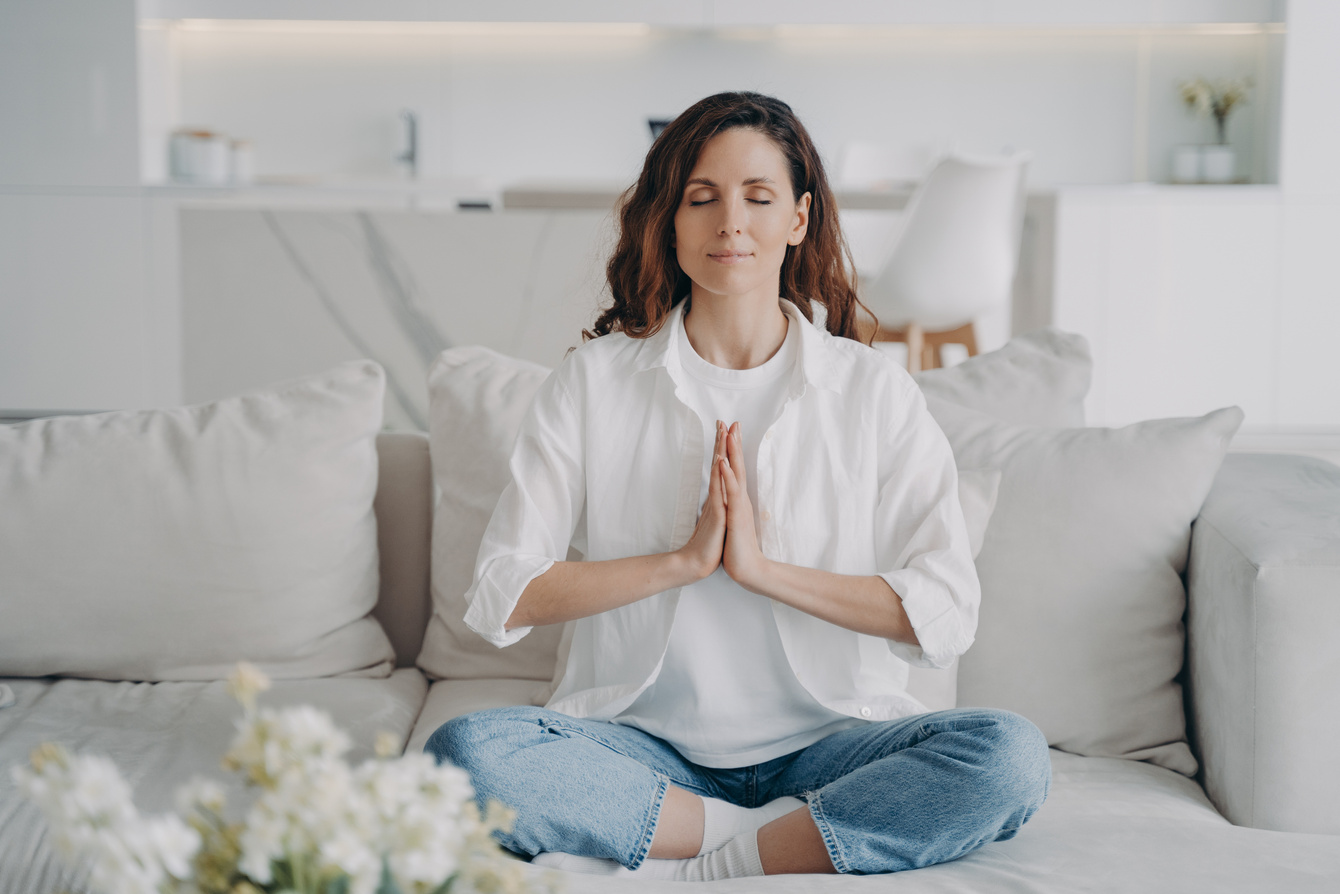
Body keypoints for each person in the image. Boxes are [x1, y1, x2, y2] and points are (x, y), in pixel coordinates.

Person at [426, 91, 1050, 881]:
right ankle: (765, 835)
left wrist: (764, 573)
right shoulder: (592, 384)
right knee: (465, 755)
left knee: (1009, 758)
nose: (730, 223)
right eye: (702, 198)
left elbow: (947, 613)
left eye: (758, 197)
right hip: (641, 748)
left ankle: (721, 852)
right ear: (669, 220)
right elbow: (502, 594)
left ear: (798, 218)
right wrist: (682, 562)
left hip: (834, 743)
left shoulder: (874, 391)